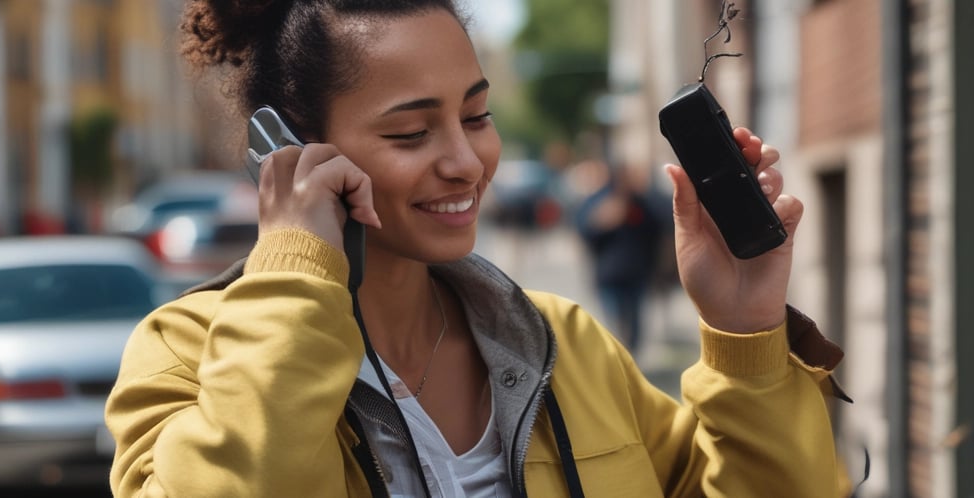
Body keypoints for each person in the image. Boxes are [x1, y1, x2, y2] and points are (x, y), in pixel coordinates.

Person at [105, 1, 848, 496]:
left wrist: (746, 331)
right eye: (411, 132)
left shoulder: (566, 345)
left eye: (478, 115)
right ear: (292, 152)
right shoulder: (185, 358)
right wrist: (297, 271)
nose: (467, 160)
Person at [574, 161, 670, 352]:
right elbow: (584, 231)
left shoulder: (645, 203)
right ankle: (619, 362)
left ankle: (630, 361)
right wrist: (601, 221)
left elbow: (661, 231)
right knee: (615, 324)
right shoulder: (599, 200)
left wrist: (661, 269)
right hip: (608, 275)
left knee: (635, 325)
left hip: (638, 274)